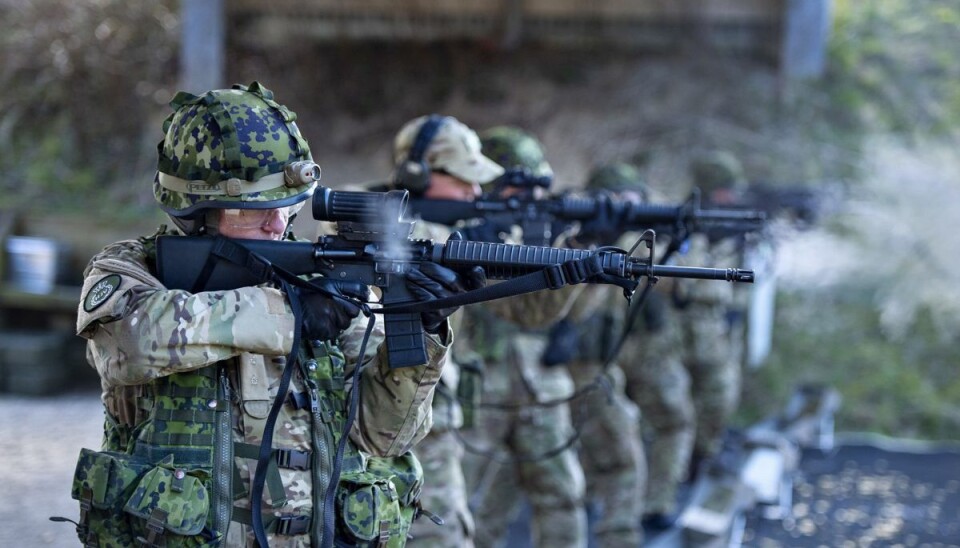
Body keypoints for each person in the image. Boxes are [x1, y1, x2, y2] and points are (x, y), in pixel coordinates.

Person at [70, 83, 477, 547]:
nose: (278, 224)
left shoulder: (320, 278)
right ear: (196, 211)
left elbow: (383, 435)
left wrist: (423, 328)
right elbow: (133, 343)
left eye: (289, 205)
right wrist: (291, 313)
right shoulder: (132, 269)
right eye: (254, 210)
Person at [461, 126, 588, 548]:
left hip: (540, 385)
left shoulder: (548, 228)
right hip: (473, 388)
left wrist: (583, 247)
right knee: (452, 504)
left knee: (562, 496)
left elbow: (538, 311)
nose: (528, 197)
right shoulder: (458, 230)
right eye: (515, 186)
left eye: (536, 185)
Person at [388, 114, 504, 548]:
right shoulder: (369, 226)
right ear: (416, 174)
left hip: (431, 419)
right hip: (391, 422)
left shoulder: (450, 232)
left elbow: (532, 314)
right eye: (463, 180)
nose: (474, 193)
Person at [620, 150, 746, 531]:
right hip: (667, 338)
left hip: (709, 336)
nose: (728, 198)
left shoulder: (728, 231)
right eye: (721, 190)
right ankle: (656, 502)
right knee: (672, 418)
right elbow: (663, 279)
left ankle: (693, 468)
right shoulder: (671, 225)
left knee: (714, 405)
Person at [561, 162, 650, 547]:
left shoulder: (617, 240)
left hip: (591, 367)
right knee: (622, 461)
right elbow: (572, 310)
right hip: (573, 369)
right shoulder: (574, 238)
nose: (629, 208)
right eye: (622, 200)